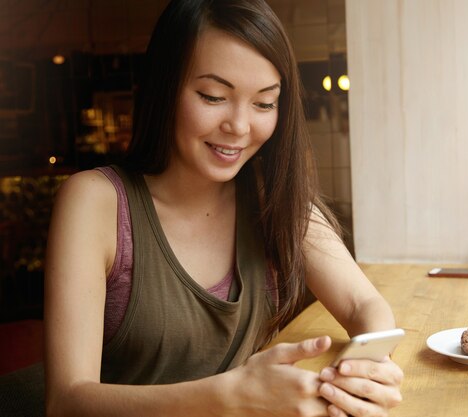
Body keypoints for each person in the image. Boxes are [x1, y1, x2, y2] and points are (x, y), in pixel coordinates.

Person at [43, 0, 403, 416]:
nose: (240, 126)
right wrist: (231, 398)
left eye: (264, 103)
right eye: (213, 96)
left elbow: (364, 306)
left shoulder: (274, 197)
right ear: (165, 87)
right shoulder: (95, 202)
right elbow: (66, 401)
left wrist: (367, 368)